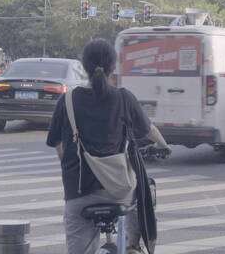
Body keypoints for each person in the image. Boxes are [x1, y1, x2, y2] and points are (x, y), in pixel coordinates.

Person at [46, 39, 170, 254]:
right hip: (118, 192)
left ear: (83, 66)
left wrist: (71, 165)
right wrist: (164, 145)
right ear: (114, 66)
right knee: (144, 187)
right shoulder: (124, 97)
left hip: (78, 193)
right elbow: (149, 130)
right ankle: (133, 245)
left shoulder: (67, 100)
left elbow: (57, 145)